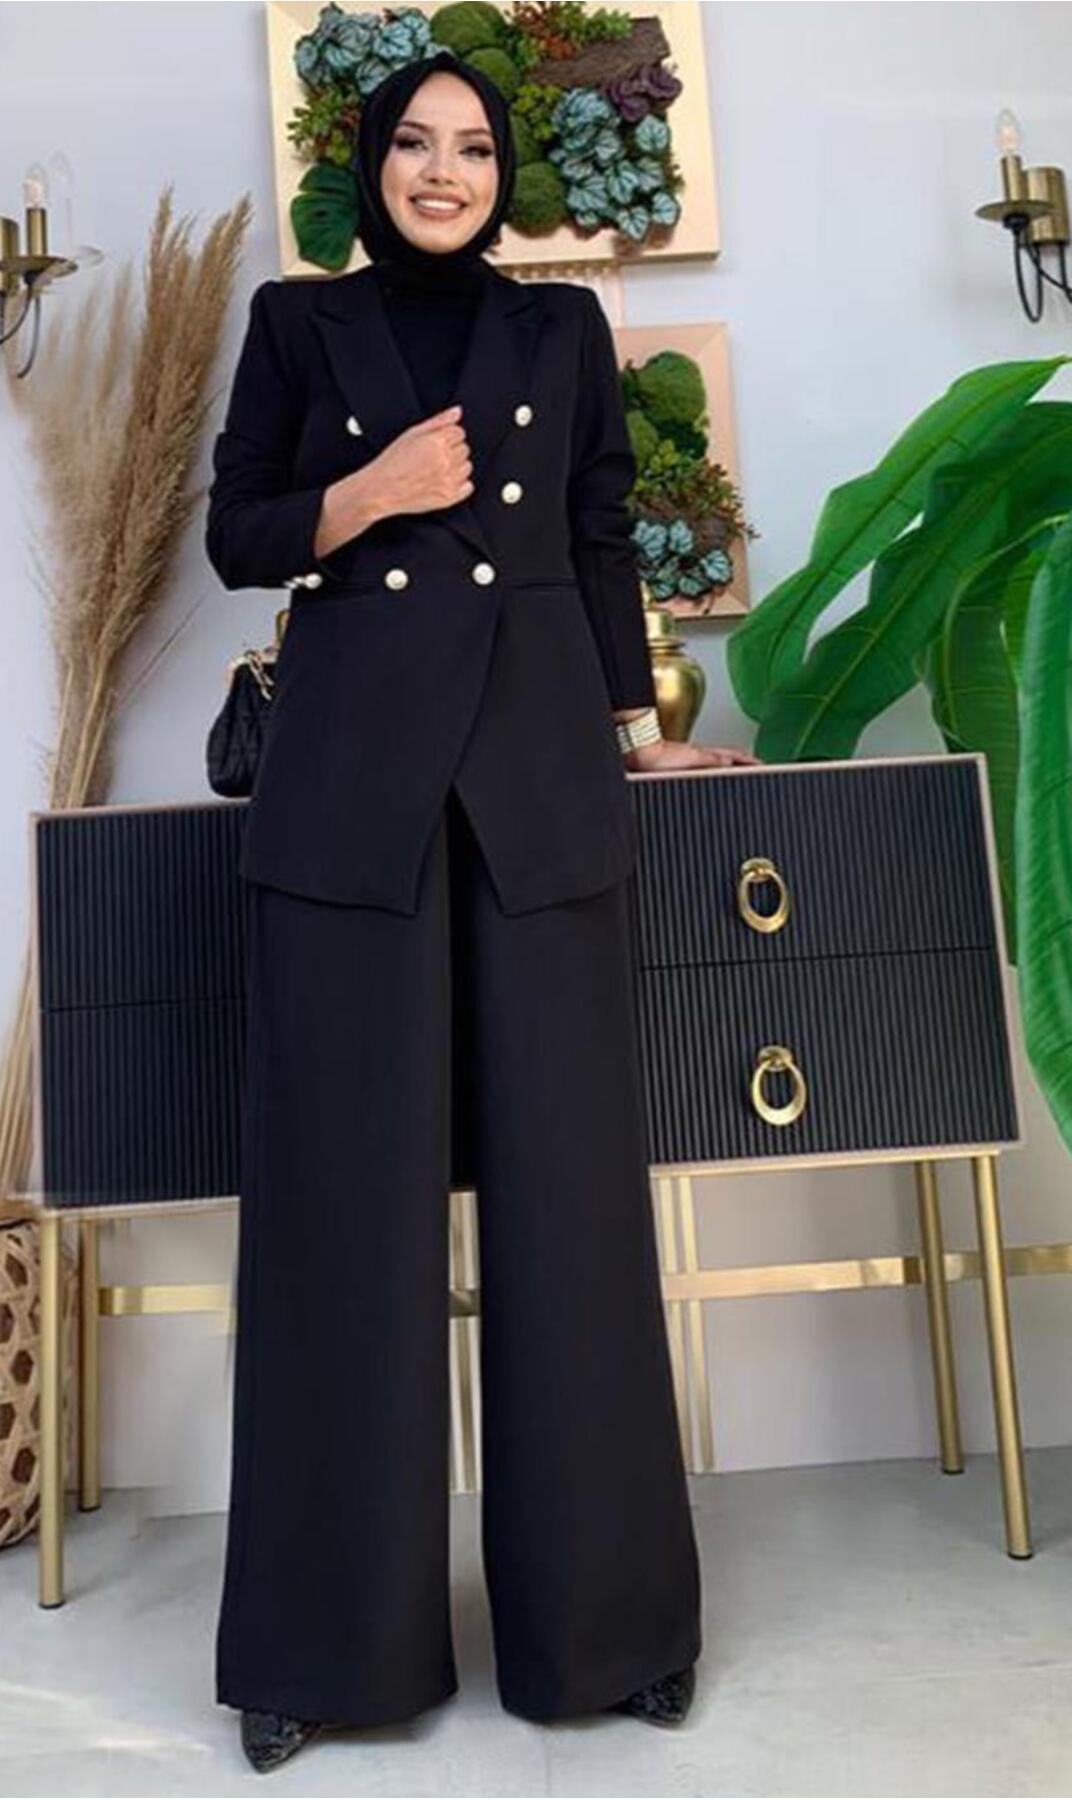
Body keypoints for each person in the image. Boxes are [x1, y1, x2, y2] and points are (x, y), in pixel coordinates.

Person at [206, 45, 757, 1775]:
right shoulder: (300, 324)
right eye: (416, 145)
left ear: (503, 174)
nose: (443, 171)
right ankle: (322, 1654)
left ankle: (611, 1633)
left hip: (536, 784)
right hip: (349, 795)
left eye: (472, 148)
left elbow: (598, 535)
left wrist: (636, 732)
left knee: (571, 1209)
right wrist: (366, 496)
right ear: (369, 161)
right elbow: (237, 534)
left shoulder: (560, 331)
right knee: (337, 1219)